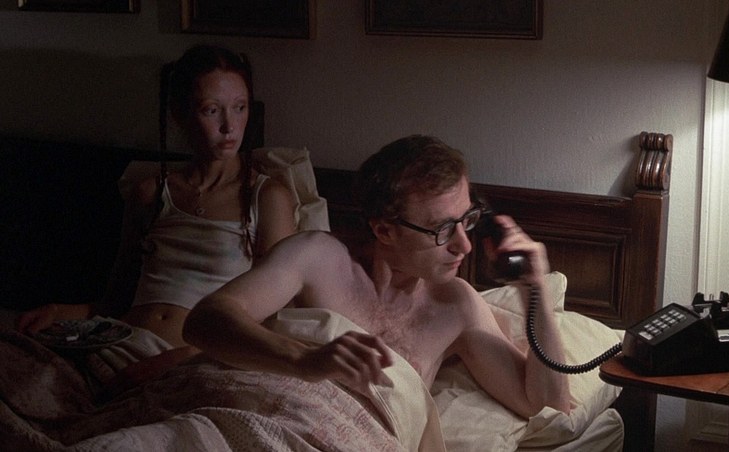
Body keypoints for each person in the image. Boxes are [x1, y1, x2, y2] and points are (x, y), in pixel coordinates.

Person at [183, 134, 571, 417]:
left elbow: (545, 405)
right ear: (384, 230)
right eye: (441, 229)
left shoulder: (455, 306)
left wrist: (534, 287)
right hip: (271, 414)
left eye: (467, 220)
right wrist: (304, 359)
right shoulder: (316, 257)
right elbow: (204, 320)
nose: (464, 245)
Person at [15, 45, 296, 395]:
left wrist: (180, 360)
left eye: (240, 107)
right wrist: (58, 311)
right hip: (119, 344)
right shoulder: (151, 193)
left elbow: (271, 323)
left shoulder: (266, 197)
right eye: (211, 110)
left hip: (194, 360)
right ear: (180, 114)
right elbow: (116, 300)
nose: (229, 126)